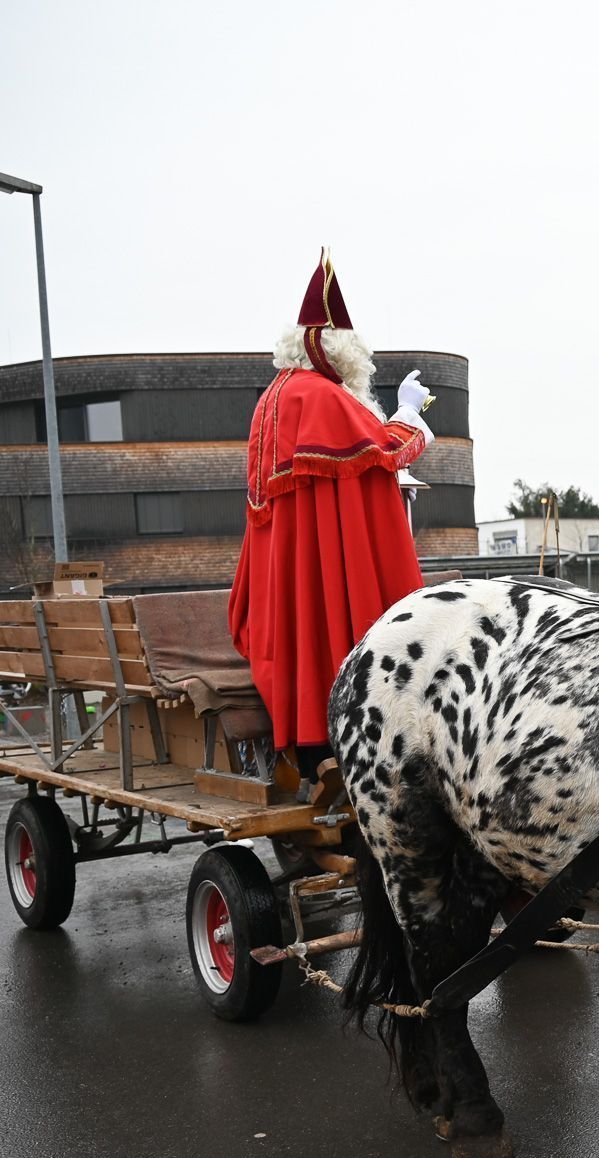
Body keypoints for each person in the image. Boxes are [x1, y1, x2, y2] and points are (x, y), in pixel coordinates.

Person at [229, 251, 434, 775]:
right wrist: (409, 413)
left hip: (291, 576)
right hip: (324, 571)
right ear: (336, 349)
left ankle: (310, 748)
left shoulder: (274, 398)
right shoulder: (319, 397)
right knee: (336, 634)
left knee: (305, 630)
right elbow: (382, 453)